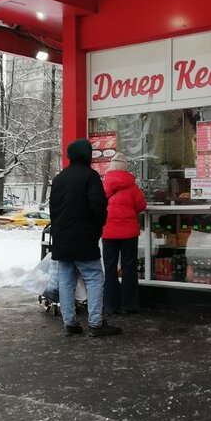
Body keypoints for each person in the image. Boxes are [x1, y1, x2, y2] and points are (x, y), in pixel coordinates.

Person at [49, 138, 122, 337]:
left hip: (62, 239)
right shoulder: (90, 177)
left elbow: (53, 210)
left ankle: (70, 322)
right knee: (95, 277)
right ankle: (96, 324)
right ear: (87, 155)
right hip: (83, 238)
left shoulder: (59, 178)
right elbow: (98, 207)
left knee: (66, 281)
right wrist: (97, 227)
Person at [102, 152, 147, 316]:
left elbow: (98, 203)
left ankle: (110, 305)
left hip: (108, 233)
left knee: (110, 268)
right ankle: (129, 304)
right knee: (129, 268)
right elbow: (142, 205)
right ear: (125, 168)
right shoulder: (132, 186)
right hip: (128, 233)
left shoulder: (104, 185)